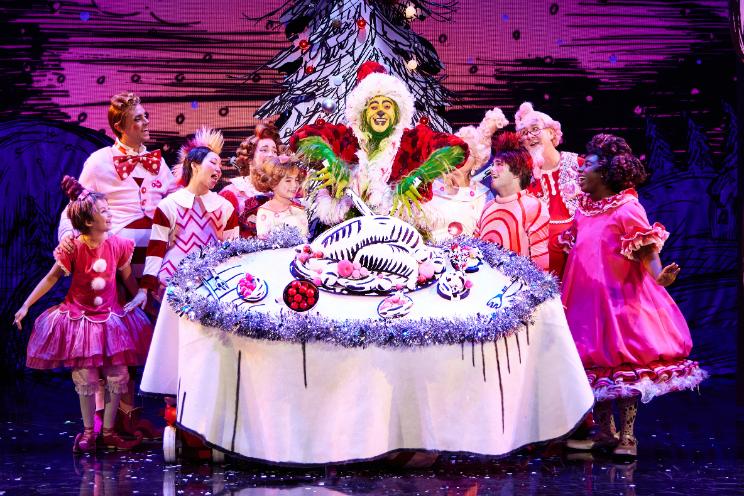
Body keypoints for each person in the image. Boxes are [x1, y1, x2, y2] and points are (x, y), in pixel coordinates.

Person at [561, 134, 706, 457]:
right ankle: (605, 431)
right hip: (586, 300)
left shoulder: (627, 208)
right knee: (593, 361)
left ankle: (627, 435)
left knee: (622, 360)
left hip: (619, 299)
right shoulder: (583, 210)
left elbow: (646, 249)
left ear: (606, 172)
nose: (581, 170)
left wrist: (659, 276)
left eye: (589, 165)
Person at [56, 91, 175, 440]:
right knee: (115, 343)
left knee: (148, 339)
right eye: (138, 118)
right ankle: (107, 423)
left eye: (145, 115)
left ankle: (138, 418)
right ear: (120, 126)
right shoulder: (99, 161)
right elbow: (75, 209)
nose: (146, 121)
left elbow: (174, 204)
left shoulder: (158, 163)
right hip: (116, 263)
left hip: (154, 263)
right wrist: (68, 238)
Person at [14, 177, 152, 452]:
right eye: (103, 211)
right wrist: (26, 304)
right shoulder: (74, 247)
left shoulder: (118, 245)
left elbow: (127, 278)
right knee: (86, 378)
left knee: (118, 375)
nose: (110, 215)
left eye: (108, 210)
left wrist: (140, 296)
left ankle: (109, 431)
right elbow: (51, 277)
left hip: (111, 319)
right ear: (88, 221)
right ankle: (89, 432)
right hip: (80, 320)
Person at [291, 61, 468, 227]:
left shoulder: (412, 139)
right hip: (343, 229)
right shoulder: (346, 137)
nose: (381, 112)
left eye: (387, 106)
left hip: (402, 231)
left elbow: (455, 148)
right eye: (374, 106)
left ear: (397, 112)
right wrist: (331, 163)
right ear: (362, 113)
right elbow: (304, 137)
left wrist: (420, 177)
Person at [140, 128, 239, 299]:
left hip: (212, 289)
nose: (219, 169)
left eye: (220, 165)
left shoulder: (225, 207)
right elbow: (156, 250)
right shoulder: (168, 205)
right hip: (171, 287)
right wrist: (145, 288)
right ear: (194, 165)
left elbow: (233, 251)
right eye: (213, 162)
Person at [514, 102, 582, 278]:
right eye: (524, 133)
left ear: (551, 133)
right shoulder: (522, 178)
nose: (529, 136)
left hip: (581, 259)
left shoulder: (580, 165)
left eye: (535, 129)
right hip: (542, 267)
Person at [423, 107, 508, 241]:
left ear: (476, 163)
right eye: (457, 151)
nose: (461, 157)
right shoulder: (429, 188)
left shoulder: (484, 196)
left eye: (468, 153)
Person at [475, 132, 549, 269]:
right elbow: (475, 250)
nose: (492, 170)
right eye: (493, 164)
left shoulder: (534, 207)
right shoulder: (487, 207)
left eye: (499, 164)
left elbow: (541, 265)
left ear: (517, 172)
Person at [220, 124, 282, 237]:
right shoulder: (232, 192)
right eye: (264, 150)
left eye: (274, 151)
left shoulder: (283, 192)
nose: (271, 155)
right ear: (249, 158)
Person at [252, 155, 309, 239]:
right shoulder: (266, 211)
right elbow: (264, 243)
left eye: (296, 180)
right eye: (288, 180)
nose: (294, 185)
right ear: (273, 183)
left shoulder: (298, 208)